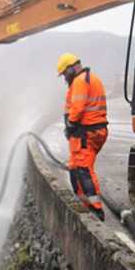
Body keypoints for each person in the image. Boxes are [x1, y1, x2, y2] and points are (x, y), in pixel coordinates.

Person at [56, 53, 108, 221]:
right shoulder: (89, 79)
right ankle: (84, 203)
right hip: (90, 132)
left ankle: (96, 209)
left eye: (65, 73)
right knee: (74, 167)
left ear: (71, 69)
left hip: (87, 133)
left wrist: (69, 127)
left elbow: (77, 109)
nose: (65, 78)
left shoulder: (80, 82)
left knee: (84, 168)